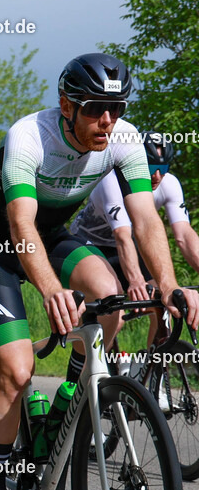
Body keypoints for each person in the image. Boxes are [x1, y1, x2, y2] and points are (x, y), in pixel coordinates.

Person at [0, 53, 199, 490]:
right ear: (66, 105)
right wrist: (51, 290)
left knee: (109, 299)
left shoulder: (124, 139)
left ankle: (72, 393)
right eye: (95, 108)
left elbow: (146, 220)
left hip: (52, 237)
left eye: (116, 108)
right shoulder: (29, 136)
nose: (107, 120)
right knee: (17, 372)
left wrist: (168, 284)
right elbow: (20, 224)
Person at [70, 131, 195, 362]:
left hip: (127, 246)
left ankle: (153, 370)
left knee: (162, 301)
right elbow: (122, 236)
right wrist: (136, 280)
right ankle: (96, 371)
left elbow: (184, 236)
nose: (157, 176)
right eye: (150, 168)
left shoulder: (169, 184)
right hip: (91, 244)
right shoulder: (112, 181)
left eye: (164, 168)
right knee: (114, 315)